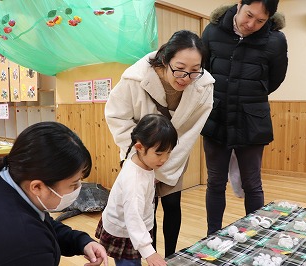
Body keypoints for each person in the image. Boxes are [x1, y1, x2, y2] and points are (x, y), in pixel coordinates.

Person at [104, 30, 214, 256]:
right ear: (165, 59)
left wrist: (167, 157)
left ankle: (171, 257)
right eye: (179, 68)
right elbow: (117, 116)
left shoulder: (204, 86)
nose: (185, 77)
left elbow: (192, 130)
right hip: (140, 153)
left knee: (173, 204)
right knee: (146, 208)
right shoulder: (135, 78)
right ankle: (150, 255)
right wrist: (141, 153)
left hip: (176, 152)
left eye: (195, 71)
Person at [0, 122, 108, 266]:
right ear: (37, 187)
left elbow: (41, 222)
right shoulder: (26, 244)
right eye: (73, 184)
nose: (78, 188)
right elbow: (33, 234)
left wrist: (80, 241)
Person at [201, 0, 288, 235]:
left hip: (252, 119)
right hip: (216, 115)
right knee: (215, 182)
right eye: (249, 15)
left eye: (261, 21)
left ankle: (255, 237)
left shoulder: (275, 40)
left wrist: (247, 96)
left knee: (252, 183)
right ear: (240, 5)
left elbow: (275, 79)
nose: (251, 24)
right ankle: (213, 235)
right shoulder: (212, 31)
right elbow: (203, 71)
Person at [96, 114, 178, 266]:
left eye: (169, 153)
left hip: (134, 228)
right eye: (159, 154)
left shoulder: (140, 159)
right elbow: (133, 217)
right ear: (139, 147)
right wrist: (149, 251)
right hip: (124, 230)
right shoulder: (133, 181)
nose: (164, 159)